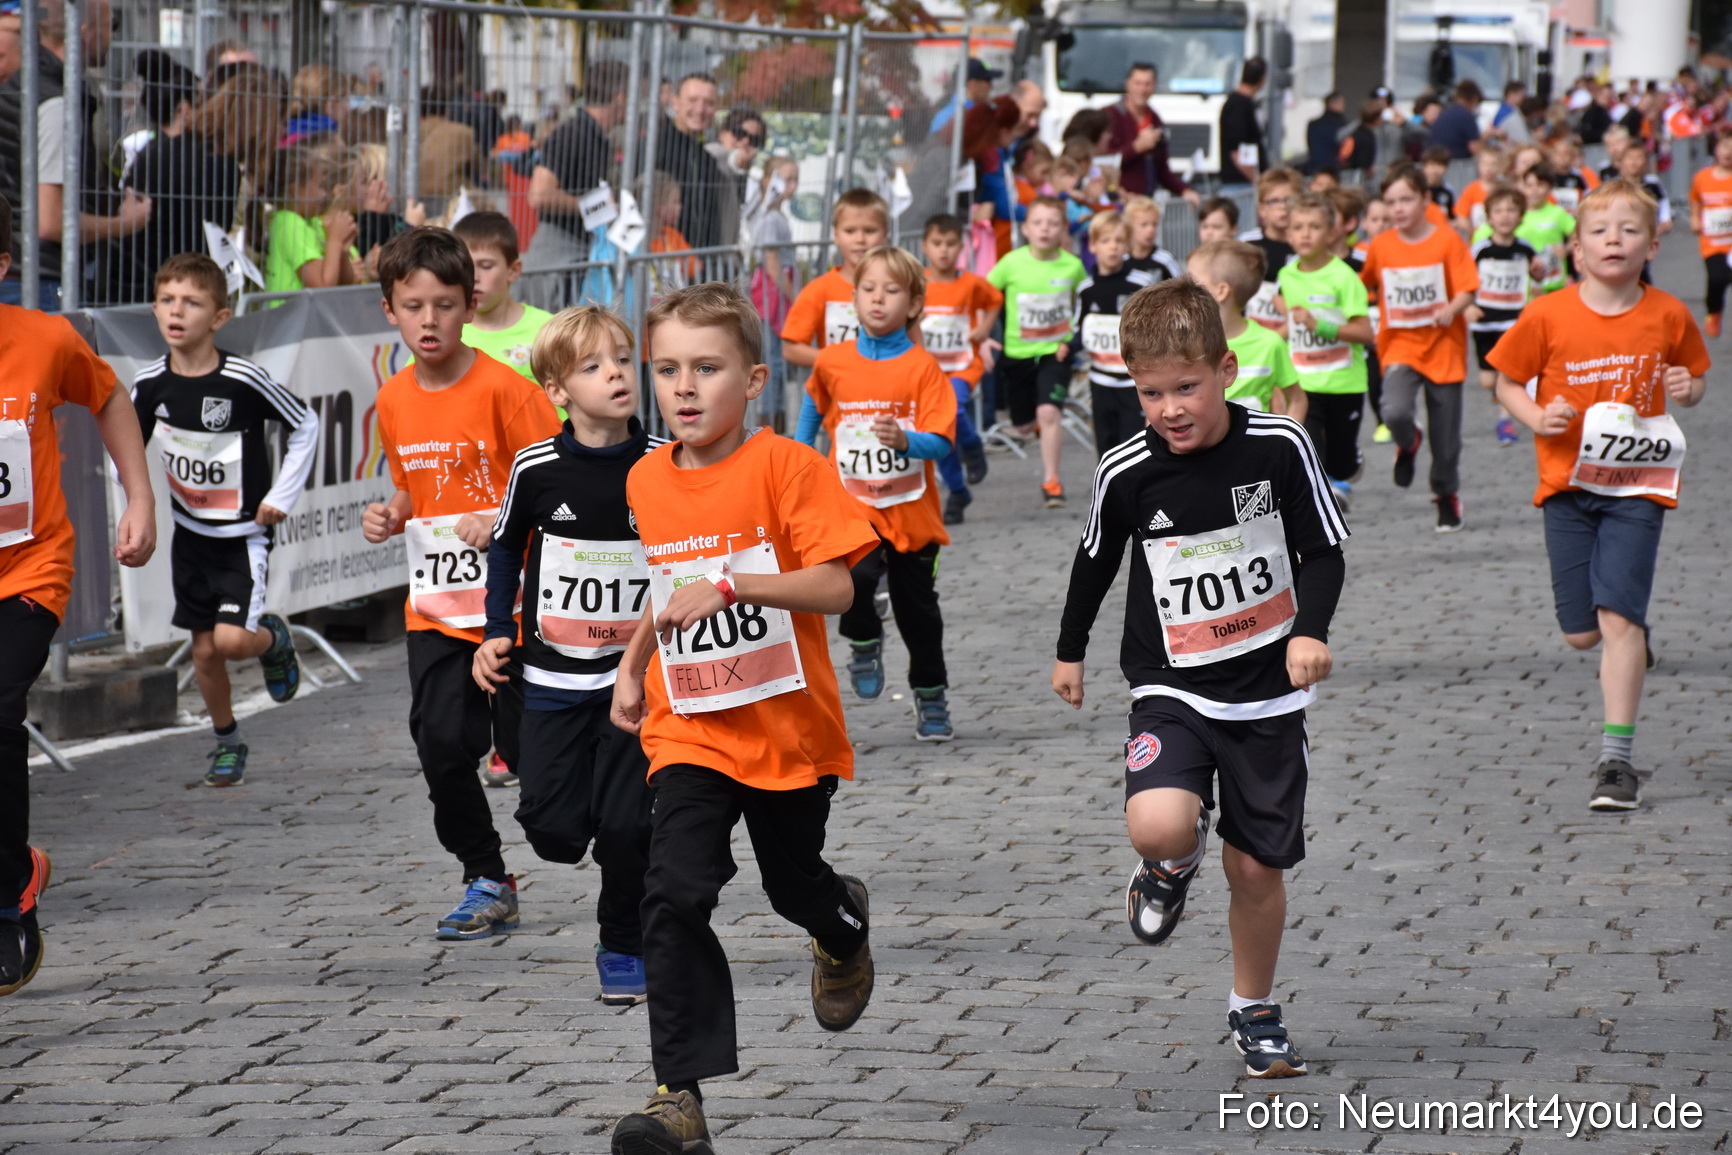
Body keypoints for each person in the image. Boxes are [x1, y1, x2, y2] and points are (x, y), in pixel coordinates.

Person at [605, 284, 880, 1152]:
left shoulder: (786, 466)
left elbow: (838, 586)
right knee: (673, 888)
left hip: (787, 732)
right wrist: (632, 661)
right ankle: (675, 1096)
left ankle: (840, 930)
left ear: (754, 378)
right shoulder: (646, 476)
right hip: (690, 725)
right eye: (668, 369)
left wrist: (733, 581)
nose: (684, 388)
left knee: (791, 882)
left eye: (708, 368)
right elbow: (667, 586)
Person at [1051, 276, 1347, 1080]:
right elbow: (1093, 561)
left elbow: (1323, 549)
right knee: (1157, 822)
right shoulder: (1125, 470)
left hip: (1267, 689)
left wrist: (1310, 632)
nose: (1170, 407)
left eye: (1186, 386)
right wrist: (1069, 649)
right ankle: (1169, 866)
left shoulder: (1280, 447)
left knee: (1255, 866)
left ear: (1225, 368)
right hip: (1171, 683)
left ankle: (1254, 1006)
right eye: (1151, 392)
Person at [360, 228, 561, 941]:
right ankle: (485, 875)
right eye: (412, 305)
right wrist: (392, 512)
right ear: (389, 309)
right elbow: (417, 488)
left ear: (469, 304)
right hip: (441, 608)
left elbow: (556, 489)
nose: (428, 320)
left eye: (444, 304)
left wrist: (498, 517)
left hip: (516, 607)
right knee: (441, 742)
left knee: (542, 772)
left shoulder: (510, 392)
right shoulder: (393, 398)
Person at [1490, 180, 1710, 813]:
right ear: (1578, 248)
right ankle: (1627, 623)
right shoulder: (1547, 314)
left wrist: (1685, 389)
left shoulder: (1668, 313)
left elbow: (1692, 382)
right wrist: (1535, 419)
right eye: (1600, 230)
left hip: (1638, 486)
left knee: (1617, 622)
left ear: (1653, 243)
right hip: (1566, 487)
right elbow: (1506, 382)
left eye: (1629, 230)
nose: (1614, 239)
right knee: (1582, 633)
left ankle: (1617, 762)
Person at [475, 306, 659, 1005]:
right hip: (549, 679)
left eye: (620, 357)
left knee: (624, 826)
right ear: (557, 390)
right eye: (592, 366)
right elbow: (504, 546)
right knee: (553, 830)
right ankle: (568, 814)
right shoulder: (536, 467)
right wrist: (498, 628)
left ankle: (622, 941)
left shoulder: (661, 462)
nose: (614, 372)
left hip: (632, 682)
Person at [0, 194, 157, 996]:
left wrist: (139, 497)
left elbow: (108, 397)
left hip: (29, 568)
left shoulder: (43, 339)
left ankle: (6, 899)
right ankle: (19, 859)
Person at [131, 254, 314, 786]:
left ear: (219, 317)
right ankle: (227, 741)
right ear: (155, 308)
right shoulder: (149, 384)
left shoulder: (242, 378)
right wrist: (137, 504)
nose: (176, 311)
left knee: (234, 642)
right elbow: (127, 448)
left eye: (192, 302)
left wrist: (282, 494)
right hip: (190, 539)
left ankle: (273, 639)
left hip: (242, 539)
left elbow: (306, 424)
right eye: (167, 300)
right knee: (205, 652)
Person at [800, 246, 958, 738]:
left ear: (913, 305)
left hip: (911, 513)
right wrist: (799, 459)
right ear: (853, 298)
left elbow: (942, 442)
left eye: (891, 291)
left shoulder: (923, 368)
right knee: (857, 578)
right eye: (868, 289)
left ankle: (931, 695)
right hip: (851, 505)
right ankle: (864, 636)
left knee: (919, 615)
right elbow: (812, 407)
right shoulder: (833, 361)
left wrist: (906, 440)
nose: (878, 299)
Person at [0, 0, 151, 309]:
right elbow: (51, 222)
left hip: (23, 274)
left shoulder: (27, 87)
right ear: (85, 33)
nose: (112, 36)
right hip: (39, 283)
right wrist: (126, 222)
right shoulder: (54, 103)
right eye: (110, 26)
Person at [1359, 165, 1479, 533]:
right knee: (1393, 410)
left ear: (1426, 199)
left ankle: (1446, 495)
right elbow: (1363, 286)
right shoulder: (1381, 246)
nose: (1398, 208)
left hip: (1444, 347)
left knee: (1445, 441)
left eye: (1406, 199)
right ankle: (1408, 443)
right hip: (1400, 347)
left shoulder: (1446, 240)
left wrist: (1451, 309)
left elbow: (1467, 288)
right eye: (1391, 202)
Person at [129, 65, 286, 300]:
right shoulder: (224, 169)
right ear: (259, 128)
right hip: (184, 290)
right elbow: (216, 242)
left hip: (138, 281)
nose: (281, 130)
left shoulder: (160, 147)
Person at [988, 196, 1087, 507]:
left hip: (1054, 354)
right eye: (1038, 222)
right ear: (1026, 228)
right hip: (1017, 355)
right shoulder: (1011, 263)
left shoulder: (1073, 266)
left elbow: (1086, 304)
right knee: (1023, 424)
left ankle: (1052, 481)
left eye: (1053, 223)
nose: (1045, 229)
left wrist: (1073, 342)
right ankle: (1029, 428)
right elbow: (984, 298)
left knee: (1048, 412)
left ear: (1063, 229)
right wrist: (981, 338)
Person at [1277, 193, 1372, 509]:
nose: (1305, 234)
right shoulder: (1286, 275)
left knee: (1341, 458)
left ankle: (1345, 469)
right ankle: (1324, 499)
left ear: (1331, 232)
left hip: (1345, 382)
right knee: (1310, 445)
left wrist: (1322, 327)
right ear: (1288, 234)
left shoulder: (1343, 277)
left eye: (1314, 227)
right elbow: (1284, 303)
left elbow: (1365, 333)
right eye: (1298, 227)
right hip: (1305, 382)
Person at [917, 213, 1000, 524]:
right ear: (925, 246)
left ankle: (973, 446)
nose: (944, 251)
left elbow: (994, 300)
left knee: (954, 409)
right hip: (930, 369)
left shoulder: (971, 283)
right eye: (937, 244)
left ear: (961, 247)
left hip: (964, 364)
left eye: (951, 244)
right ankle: (957, 490)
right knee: (940, 430)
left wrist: (985, 329)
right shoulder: (918, 284)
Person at [523, 60, 628, 302]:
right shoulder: (572, 133)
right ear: (620, 98)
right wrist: (600, 207)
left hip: (576, 256)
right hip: (558, 257)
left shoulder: (595, 136)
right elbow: (539, 196)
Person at [1187, 239, 1303, 417]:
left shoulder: (1270, 344)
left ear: (1221, 291)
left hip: (1256, 445)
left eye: (1191, 281)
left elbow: (1297, 400)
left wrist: (1287, 440)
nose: (1182, 289)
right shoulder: (1181, 340)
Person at [781, 189, 889, 370]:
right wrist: (838, 360)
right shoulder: (820, 289)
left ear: (885, 234)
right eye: (850, 231)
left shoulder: (898, 288)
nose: (860, 239)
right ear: (836, 235)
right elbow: (791, 348)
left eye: (870, 231)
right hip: (836, 394)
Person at [1074, 211, 1154, 454]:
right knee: (1106, 449)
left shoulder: (1141, 284)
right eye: (1106, 241)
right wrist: (1067, 346)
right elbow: (1080, 328)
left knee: (1134, 448)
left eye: (1119, 241)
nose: (1112, 247)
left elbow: (1154, 327)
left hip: (1132, 383)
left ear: (1128, 245)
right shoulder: (1086, 289)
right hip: (1100, 382)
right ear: (1093, 245)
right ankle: (1108, 492)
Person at [1468, 184, 1540, 446]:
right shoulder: (1480, 249)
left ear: (1521, 216)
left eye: (1511, 210)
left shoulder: (1525, 248)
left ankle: (1504, 419)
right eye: (1498, 211)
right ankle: (1501, 395)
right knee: (1487, 379)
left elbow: (1537, 277)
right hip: (1485, 320)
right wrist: (1467, 306)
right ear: (1488, 217)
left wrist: (1539, 272)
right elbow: (1464, 280)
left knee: (1507, 373)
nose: (1505, 216)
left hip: (1514, 319)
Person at [453, 212, 553, 385]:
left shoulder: (547, 330)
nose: (474, 276)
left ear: (513, 270)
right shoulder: (446, 331)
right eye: (464, 266)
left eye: (486, 266)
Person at [749, 156, 801, 431]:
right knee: (772, 361)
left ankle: (776, 421)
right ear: (768, 181)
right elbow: (771, 263)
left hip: (776, 297)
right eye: (786, 179)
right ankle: (768, 423)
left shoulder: (776, 215)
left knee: (778, 362)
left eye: (795, 179)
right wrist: (795, 296)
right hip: (771, 298)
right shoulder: (770, 218)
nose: (792, 185)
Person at [264, 147, 358, 293]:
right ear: (295, 190)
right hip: (289, 315)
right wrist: (335, 240)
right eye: (320, 186)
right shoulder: (290, 225)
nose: (324, 194)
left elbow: (343, 283)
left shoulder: (311, 222)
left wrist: (343, 251)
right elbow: (322, 288)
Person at [1107, 62, 1199, 205]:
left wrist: (1185, 190)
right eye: (1138, 83)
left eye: (1147, 84)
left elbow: (1162, 170)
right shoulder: (1111, 116)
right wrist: (1136, 147)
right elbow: (1101, 160)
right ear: (1128, 84)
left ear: (1154, 87)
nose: (1142, 90)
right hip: (1118, 201)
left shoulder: (1156, 120)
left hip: (1145, 203)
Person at [656, 74, 728, 252]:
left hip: (701, 266)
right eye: (693, 100)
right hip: (664, 263)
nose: (700, 109)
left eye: (708, 103)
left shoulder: (707, 160)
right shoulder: (656, 149)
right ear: (675, 102)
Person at [1240, 167, 1301, 330]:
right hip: (1254, 330)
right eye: (1274, 201)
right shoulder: (1247, 244)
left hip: (1295, 333)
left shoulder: (1306, 247)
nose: (1283, 207)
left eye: (1289, 200)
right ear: (1262, 209)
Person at [1688, 129, 1732, 337]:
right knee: (1717, 278)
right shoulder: (1702, 177)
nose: (1728, 152)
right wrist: (1695, 218)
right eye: (1724, 146)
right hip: (1713, 241)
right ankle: (1714, 312)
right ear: (1715, 148)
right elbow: (1696, 199)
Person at [1219, 58, 1268, 188]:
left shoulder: (1243, 103)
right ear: (1261, 79)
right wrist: (1257, 180)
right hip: (1240, 183)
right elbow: (1237, 150)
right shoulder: (1239, 105)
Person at [1451, 143, 1510, 236]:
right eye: (1485, 164)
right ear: (1479, 165)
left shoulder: (1505, 188)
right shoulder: (1471, 189)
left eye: (1493, 164)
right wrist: (1473, 232)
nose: (1489, 168)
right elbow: (1461, 216)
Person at [1122, 196, 1184, 281]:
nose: (1151, 230)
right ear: (1129, 227)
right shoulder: (1121, 260)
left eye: (1154, 224)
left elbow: (1184, 289)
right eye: (1144, 225)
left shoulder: (1165, 259)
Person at [1426, 80, 1484, 160]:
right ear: (1474, 99)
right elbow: (1475, 148)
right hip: (1455, 163)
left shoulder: (1445, 112)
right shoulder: (1466, 116)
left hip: (1434, 161)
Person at [1305, 92, 1347, 177]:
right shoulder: (1342, 126)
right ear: (1333, 103)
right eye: (1341, 103)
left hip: (1314, 168)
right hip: (1334, 170)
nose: (1343, 106)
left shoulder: (1313, 125)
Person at [1421, 146, 1457, 218]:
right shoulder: (1419, 190)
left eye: (1440, 165)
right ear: (1424, 167)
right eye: (1432, 165)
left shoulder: (1448, 191)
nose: (1435, 170)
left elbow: (1452, 217)